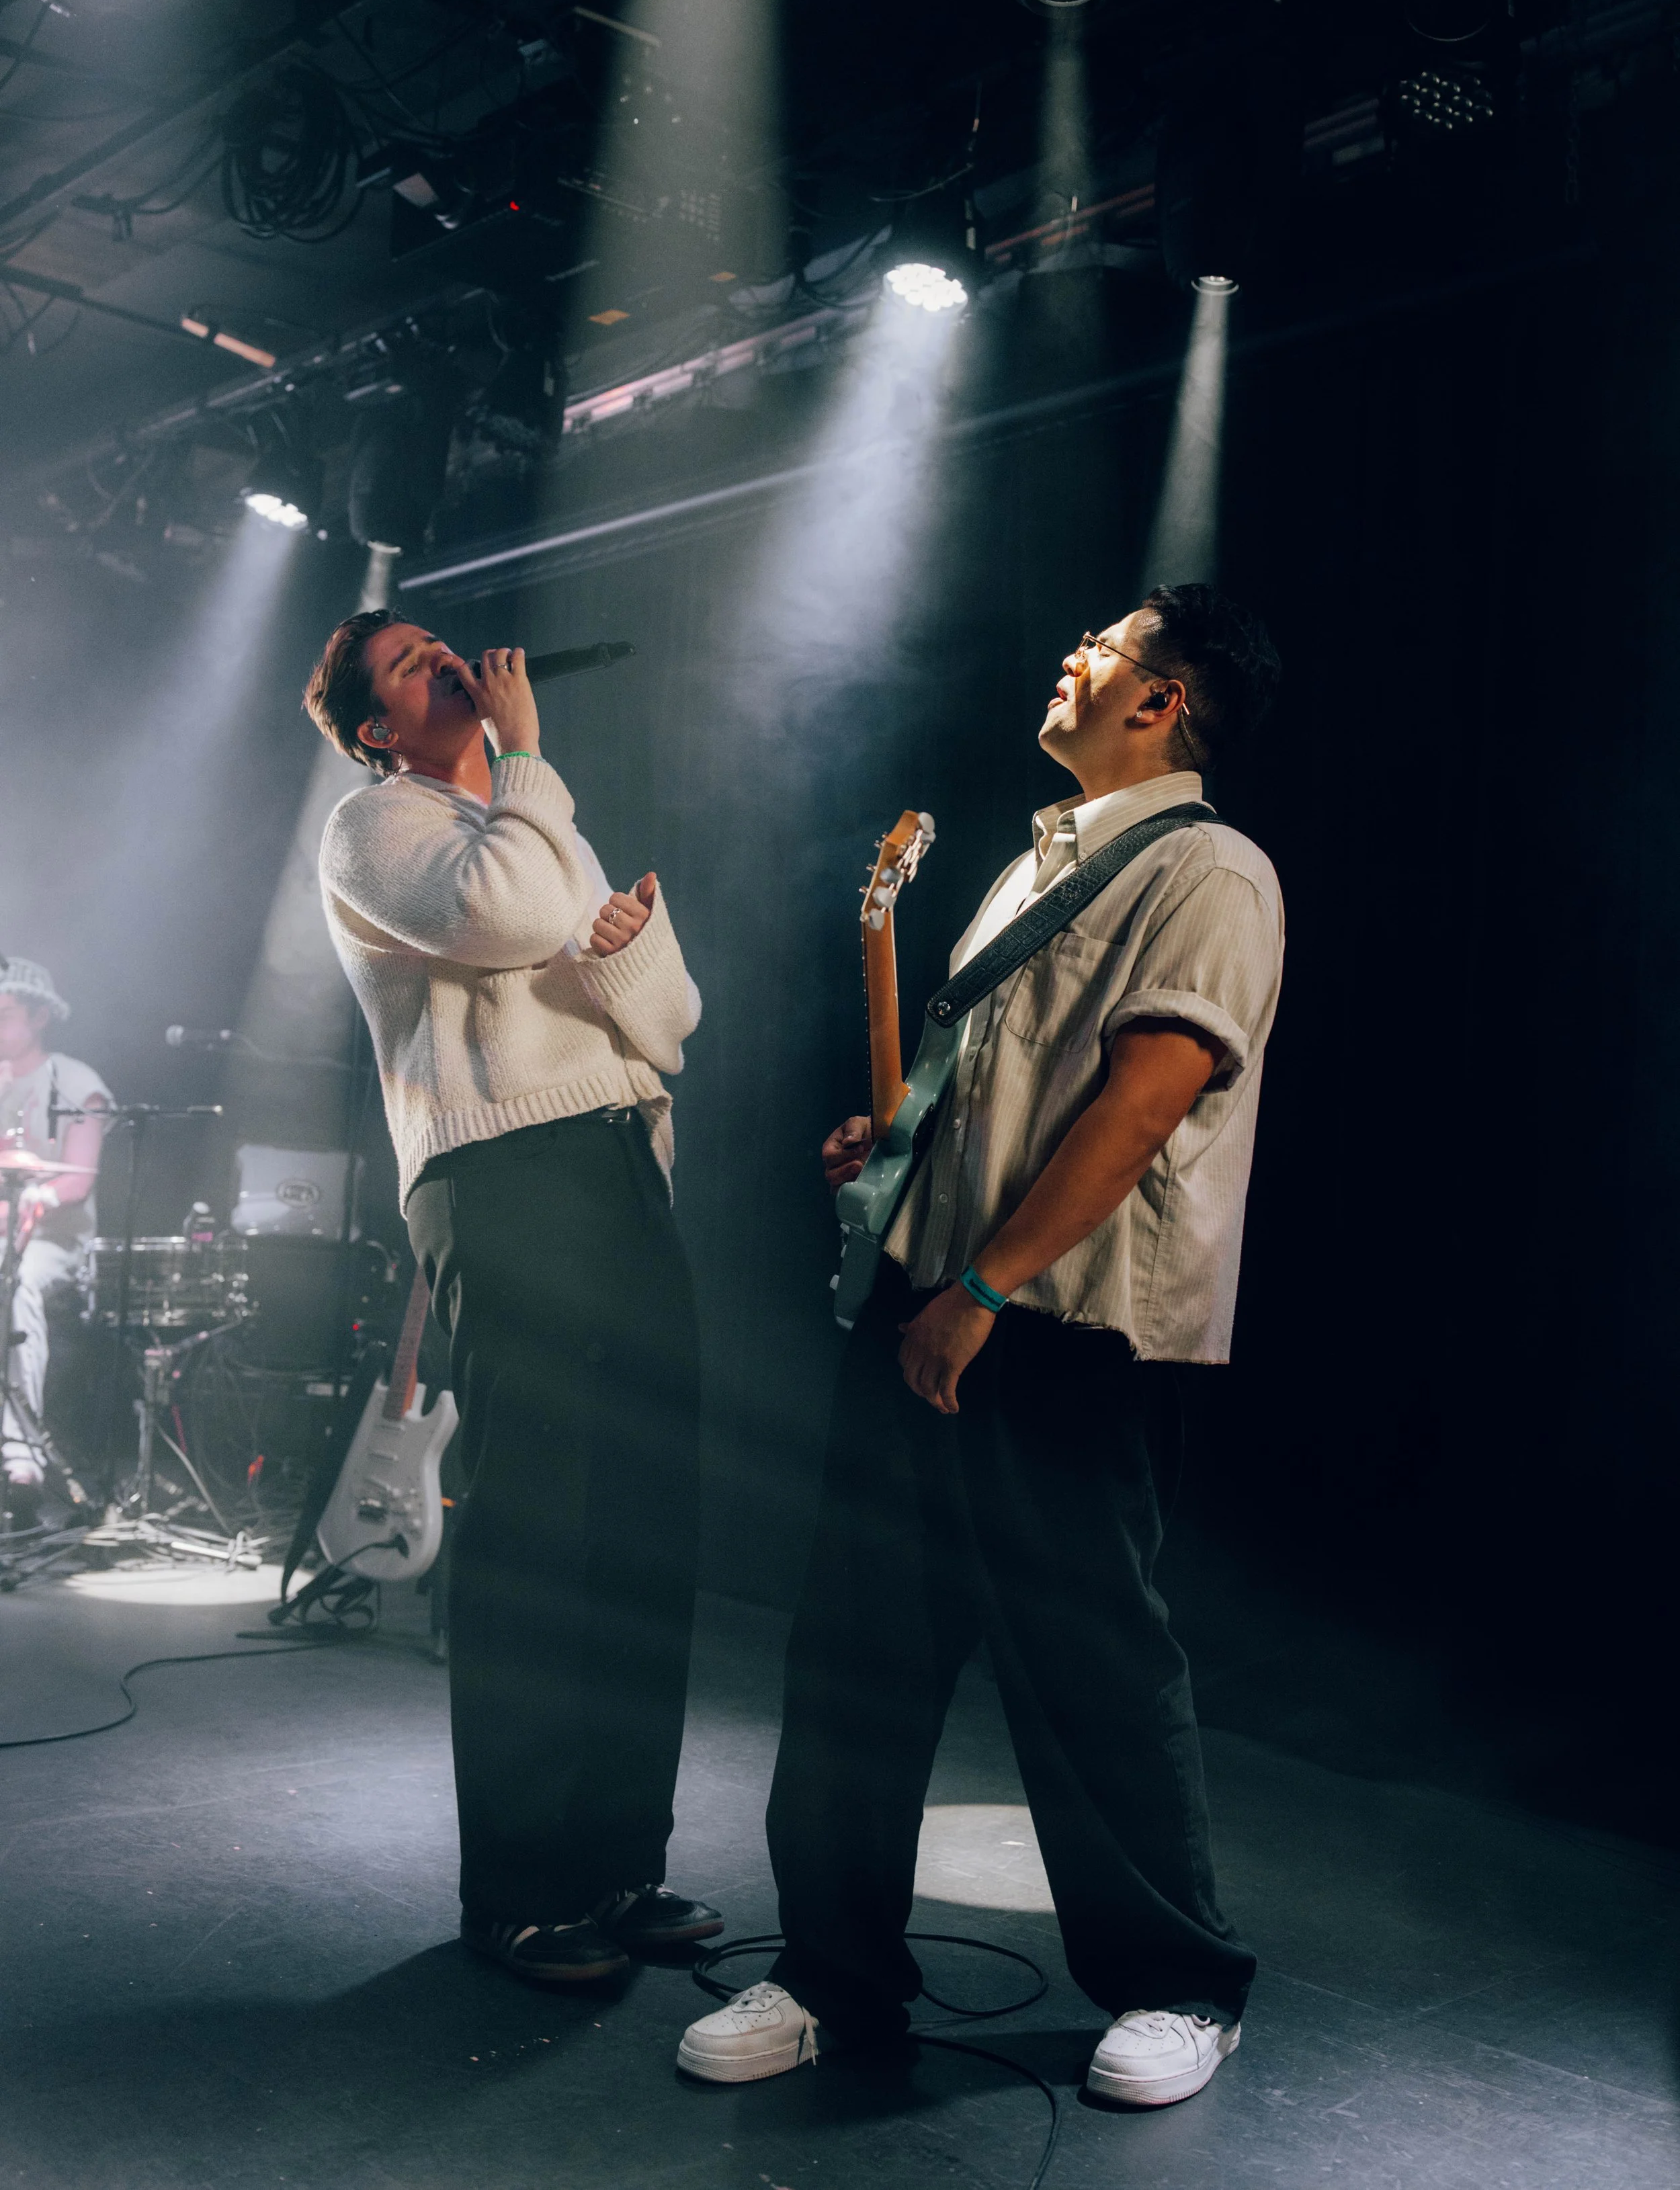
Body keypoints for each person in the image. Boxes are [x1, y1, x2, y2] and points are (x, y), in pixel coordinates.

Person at [679, 582, 1284, 2109]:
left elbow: (1143, 1098)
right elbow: (997, 1095)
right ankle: (831, 1971)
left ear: (1163, 698)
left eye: (1107, 643)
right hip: (932, 1296)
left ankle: (1179, 1983)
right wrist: (891, 1156)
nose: (1073, 650)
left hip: (1060, 1327)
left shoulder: (1213, 866)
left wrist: (984, 1290)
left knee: (1088, 1661)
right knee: (854, 1658)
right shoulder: (1028, 863)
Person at [305, 614, 718, 1986]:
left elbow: (671, 1019)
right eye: (415, 663)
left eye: (445, 647)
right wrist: (529, 762)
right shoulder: (377, 830)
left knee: (645, 1518)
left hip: (617, 1153)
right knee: (536, 1521)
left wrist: (630, 949)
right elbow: (515, 917)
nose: (452, 664)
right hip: (496, 1166)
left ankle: (619, 1863)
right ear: (376, 729)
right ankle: (520, 1891)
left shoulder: (537, 823)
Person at [0, 956, 110, 1525]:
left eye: (8, 1011)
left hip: (55, 1243)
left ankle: (21, 1454)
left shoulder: (76, 1082)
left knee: (15, 1285)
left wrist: (32, 1197)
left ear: (40, 1015)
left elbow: (78, 1177)